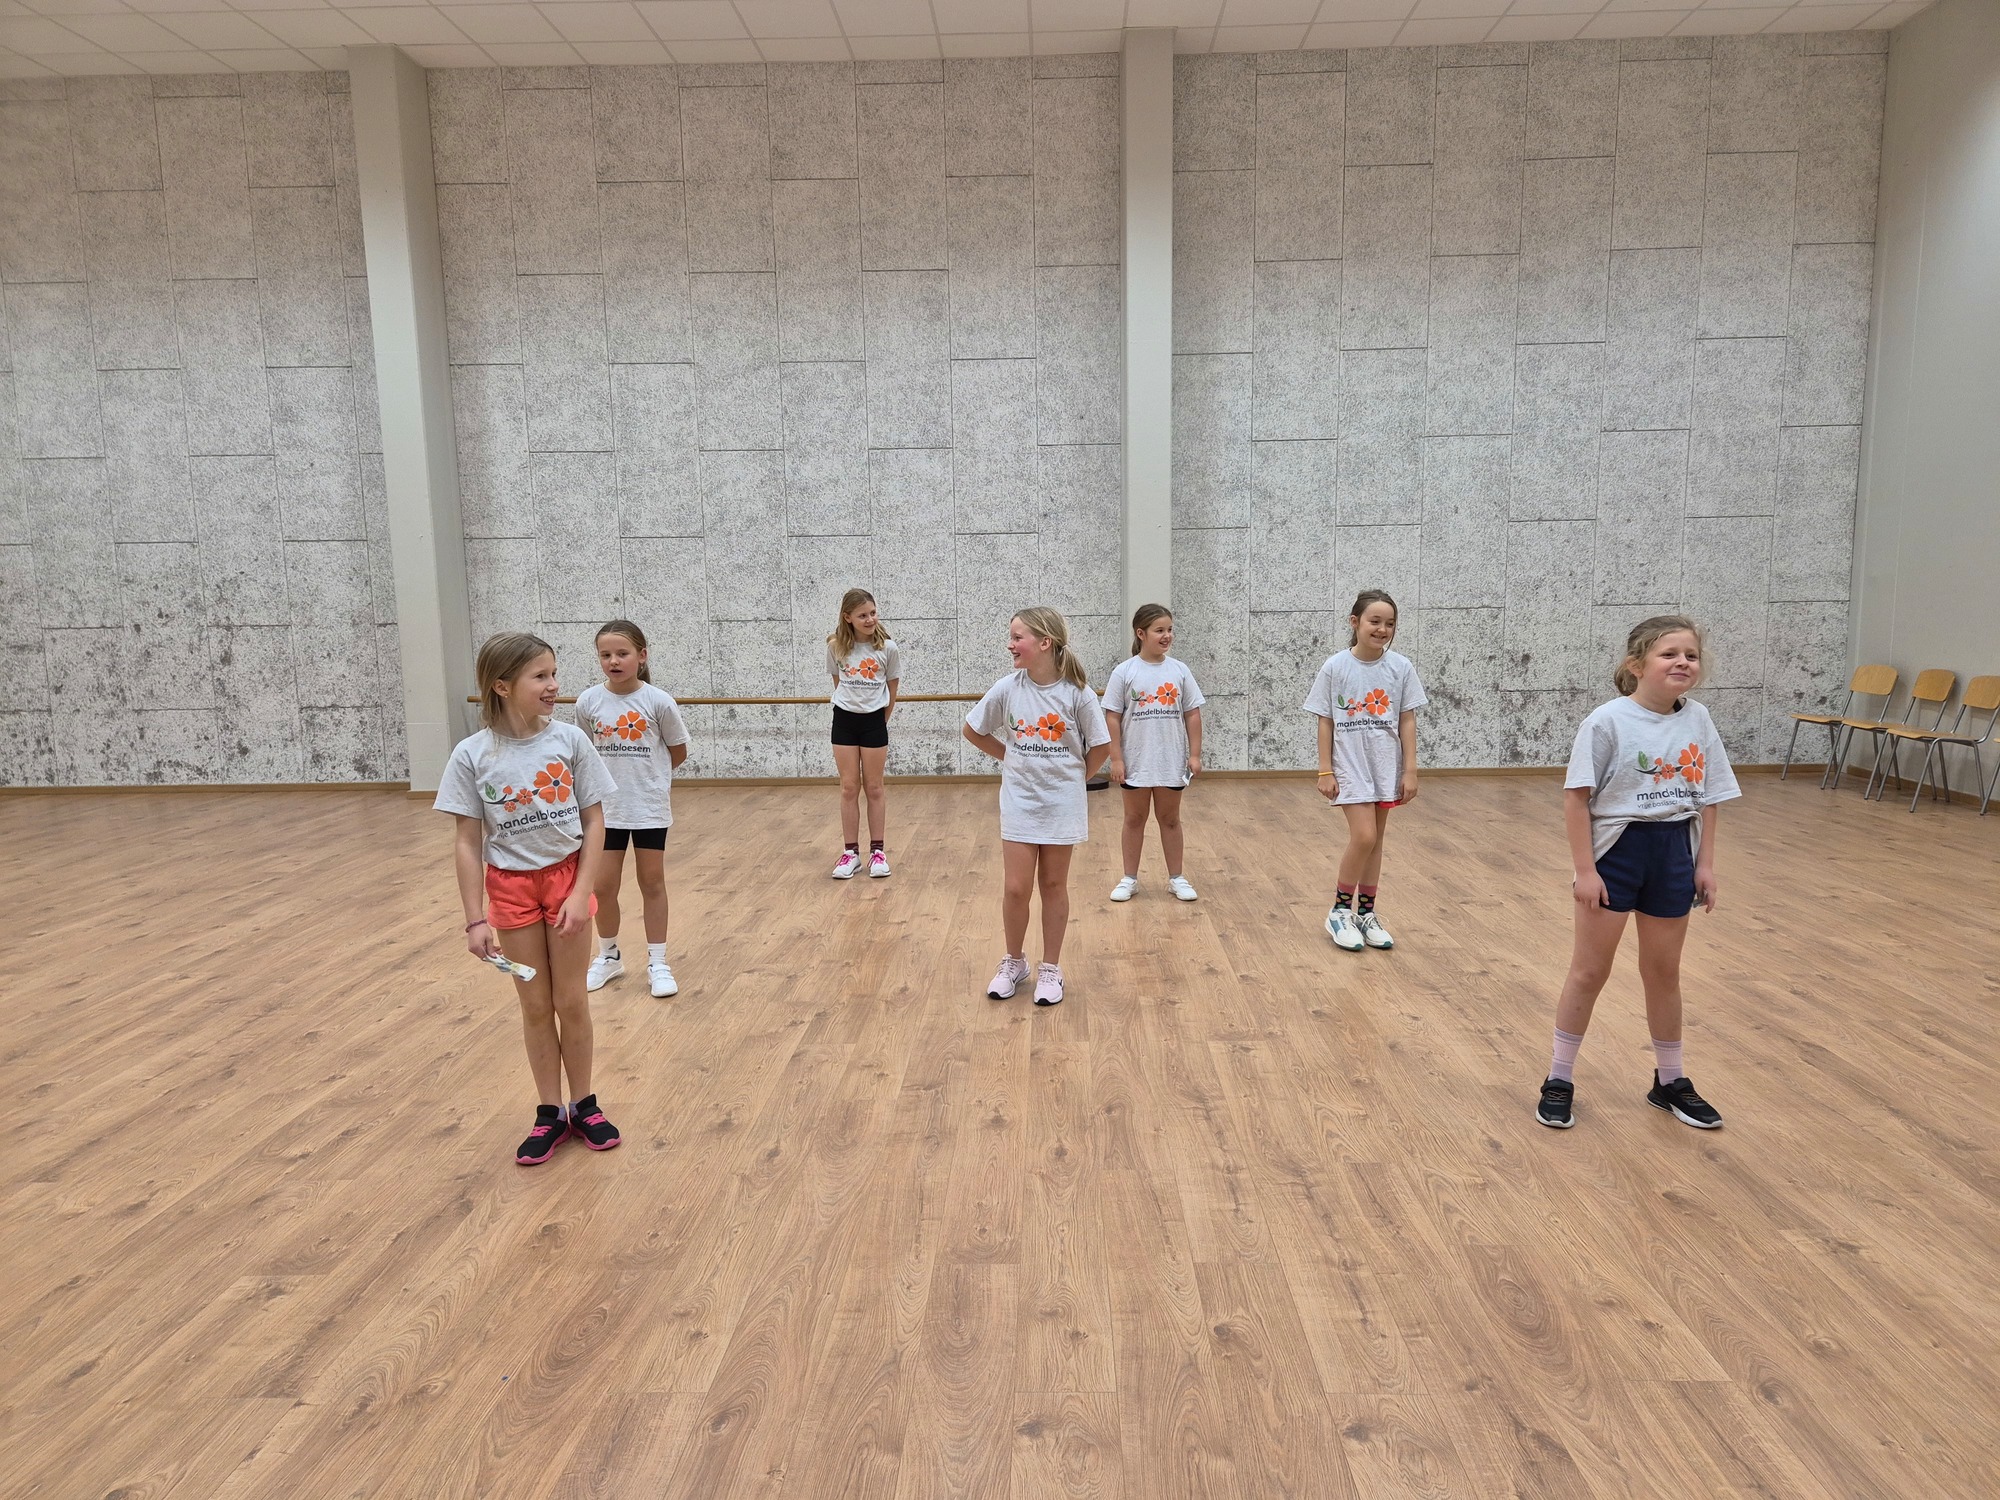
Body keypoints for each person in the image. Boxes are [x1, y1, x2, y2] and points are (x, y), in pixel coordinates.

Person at [1537, 615, 1740, 1131]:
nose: (1682, 662)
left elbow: (1711, 797)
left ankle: (1669, 1081)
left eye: (1691, 655)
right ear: (1636, 664)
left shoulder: (1699, 719)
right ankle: (1559, 1078)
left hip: (1673, 853)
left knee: (1664, 971)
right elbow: (1576, 799)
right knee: (1589, 971)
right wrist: (1585, 870)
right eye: (1669, 654)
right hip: (1618, 853)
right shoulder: (1606, 721)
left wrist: (1704, 864)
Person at [435, 632, 622, 1165]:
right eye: (540, 676)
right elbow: (467, 842)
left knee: (571, 1000)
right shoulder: (471, 755)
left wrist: (581, 892)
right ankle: (549, 1113)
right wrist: (475, 920)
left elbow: (595, 820)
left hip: (566, 882)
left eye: (553, 673)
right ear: (502, 686)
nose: (553, 685)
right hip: (511, 890)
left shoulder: (570, 741)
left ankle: (585, 1106)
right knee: (535, 1005)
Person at [962, 607, 1110, 1006]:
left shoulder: (1077, 693)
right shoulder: (1008, 688)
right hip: (1020, 802)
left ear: (1045, 643)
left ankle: (1051, 968)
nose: (1010, 645)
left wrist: (1074, 779)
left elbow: (1101, 746)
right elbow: (973, 729)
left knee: (1053, 885)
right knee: (1015, 888)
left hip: (1061, 805)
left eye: (1017, 637)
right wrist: (1009, 757)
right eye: (1010, 637)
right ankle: (1014, 961)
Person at [1303, 589, 1425, 953]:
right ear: (1355, 622)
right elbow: (1325, 720)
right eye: (1375, 621)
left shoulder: (1401, 667)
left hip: (1385, 766)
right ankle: (1340, 911)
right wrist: (1325, 770)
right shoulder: (1335, 667)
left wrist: (1410, 770)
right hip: (1349, 766)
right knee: (1364, 836)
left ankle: (1366, 914)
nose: (1382, 629)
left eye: (1390, 623)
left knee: (1376, 842)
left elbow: (1407, 719)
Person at [575, 619, 690, 998]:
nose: (613, 661)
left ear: (641, 656)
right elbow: (585, 755)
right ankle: (609, 956)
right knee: (602, 886)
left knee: (652, 882)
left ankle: (658, 962)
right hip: (605, 811)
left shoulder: (659, 702)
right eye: (605, 654)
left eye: (622, 653)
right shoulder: (588, 702)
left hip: (647, 808)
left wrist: (649, 779)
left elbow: (677, 752)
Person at [1103, 603, 1204, 902]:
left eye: (1170, 629)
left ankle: (1177, 878)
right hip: (1135, 761)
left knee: (1170, 819)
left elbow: (1192, 713)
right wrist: (1116, 758)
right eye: (1159, 630)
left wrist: (1195, 755)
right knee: (1134, 819)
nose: (1166, 636)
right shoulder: (1124, 672)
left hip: (1170, 760)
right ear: (1141, 633)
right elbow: (1112, 717)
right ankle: (1129, 879)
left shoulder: (1180, 671)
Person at [826, 588, 902, 879]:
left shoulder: (888, 649)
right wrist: (852, 709)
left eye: (872, 613)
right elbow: (838, 683)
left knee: (874, 787)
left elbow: (892, 691)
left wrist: (879, 721)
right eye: (862, 615)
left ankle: (878, 852)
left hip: (874, 723)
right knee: (848, 787)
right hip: (844, 722)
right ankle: (850, 854)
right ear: (848, 617)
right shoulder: (835, 647)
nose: (870, 619)